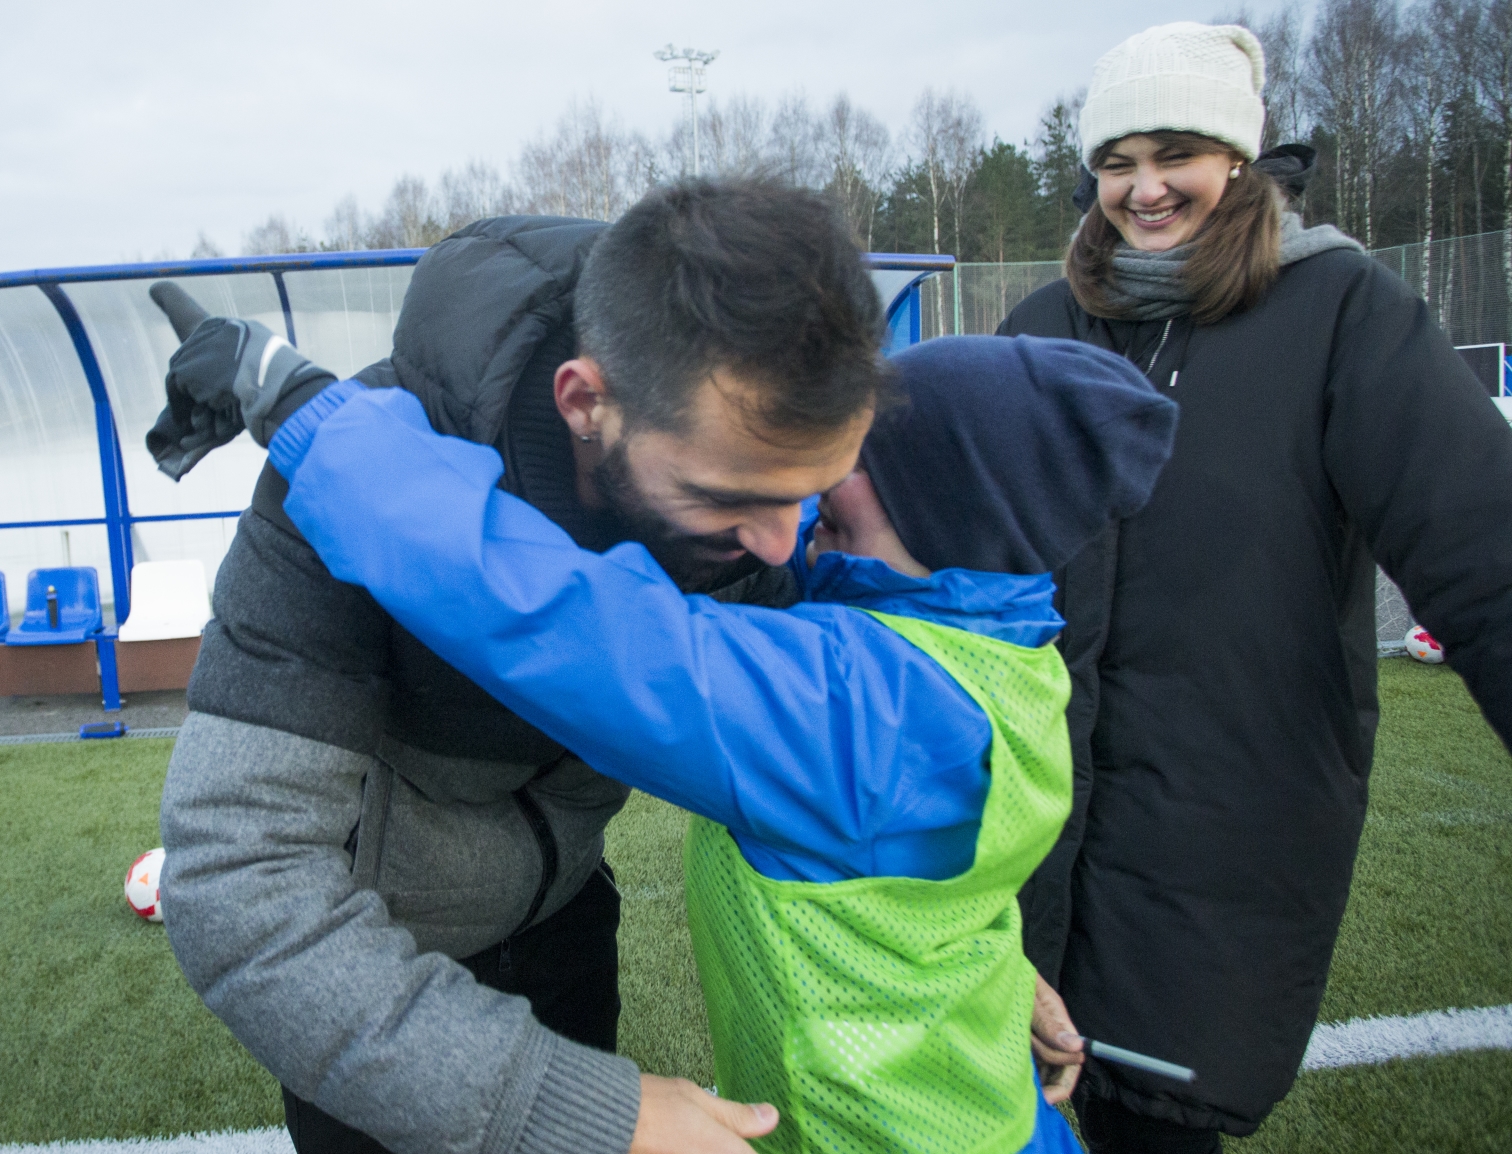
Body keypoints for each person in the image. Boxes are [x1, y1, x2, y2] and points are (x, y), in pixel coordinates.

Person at [253, 332, 1179, 1154]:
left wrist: (319, 422)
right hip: (988, 1109)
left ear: (933, 504)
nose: (809, 464)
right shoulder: (1000, 647)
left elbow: (558, 623)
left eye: (849, 445)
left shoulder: (857, 710)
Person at [153, 179, 892, 1154]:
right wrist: (584, 1108)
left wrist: (967, 952)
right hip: (375, 957)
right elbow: (239, 879)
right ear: (583, 402)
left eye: (813, 491)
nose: (777, 543)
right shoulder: (344, 482)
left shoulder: (742, 464)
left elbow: (840, 740)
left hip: (569, 917)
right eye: (730, 496)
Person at [995, 21, 1512, 1154]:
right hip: (1020, 843)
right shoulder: (1041, 326)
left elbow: (1483, 545)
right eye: (1115, 161)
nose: (1142, 189)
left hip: (1216, 846)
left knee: (1149, 1125)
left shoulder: (1340, 313)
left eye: (1173, 152)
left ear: (1237, 157)